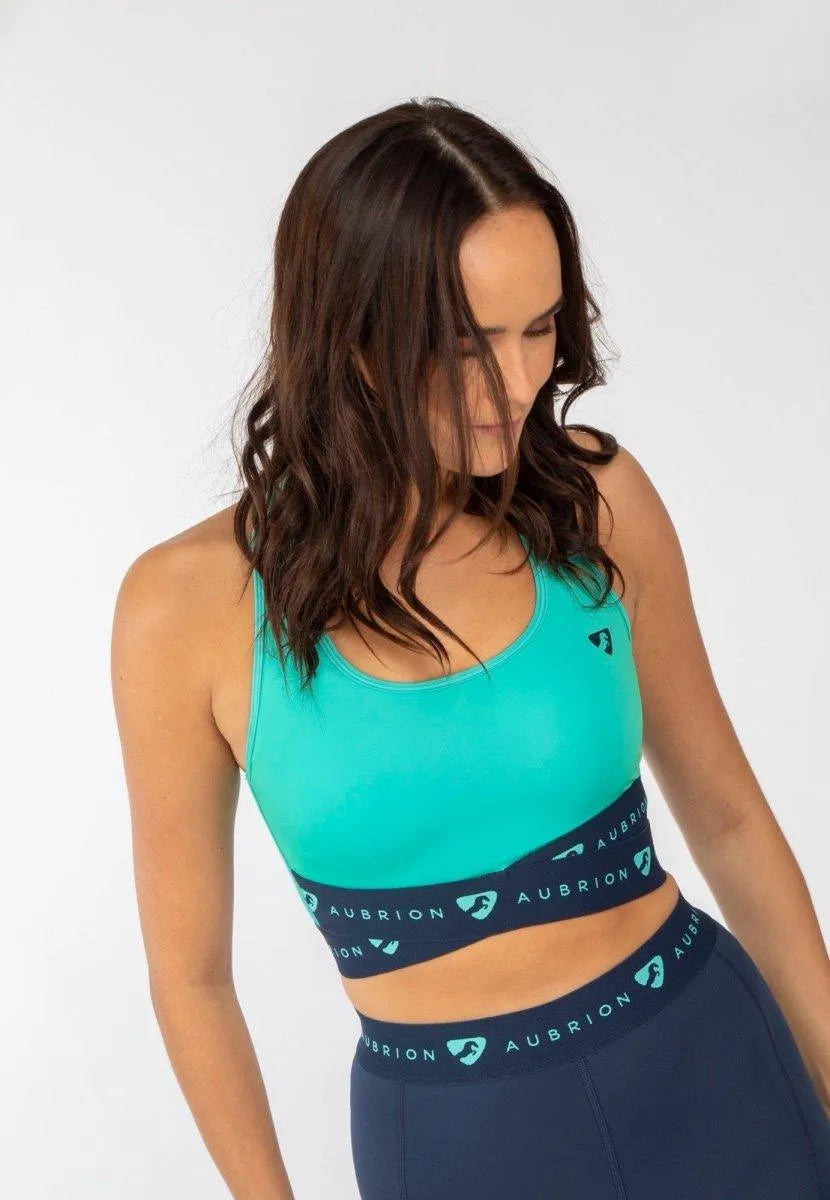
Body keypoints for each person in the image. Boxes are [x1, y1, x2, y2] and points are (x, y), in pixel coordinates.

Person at [111, 97, 830, 1199]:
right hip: (457, 1146)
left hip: (714, 1074)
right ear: (349, 337)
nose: (520, 383)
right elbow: (191, 978)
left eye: (539, 328)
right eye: (465, 345)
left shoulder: (595, 501)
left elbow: (727, 817)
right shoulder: (183, 608)